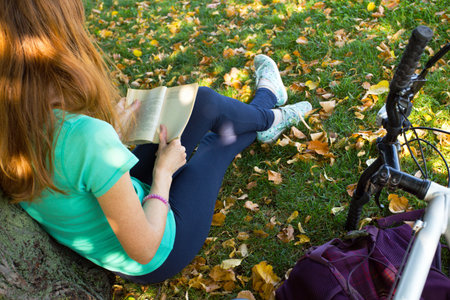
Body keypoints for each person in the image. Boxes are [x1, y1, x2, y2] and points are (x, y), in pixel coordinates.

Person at [0, 0, 311, 284]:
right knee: (218, 143)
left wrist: (112, 130)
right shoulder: (87, 137)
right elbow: (145, 248)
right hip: (158, 248)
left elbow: (72, 165)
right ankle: (268, 111)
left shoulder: (11, 123)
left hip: (123, 204)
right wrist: (163, 174)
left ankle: (266, 112)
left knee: (202, 102)